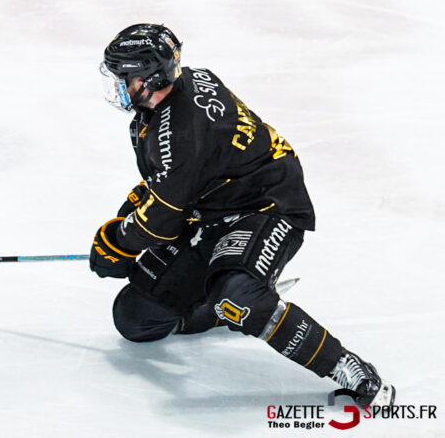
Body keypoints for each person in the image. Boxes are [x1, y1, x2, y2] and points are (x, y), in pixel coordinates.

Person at [90, 23, 395, 406]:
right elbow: (168, 183)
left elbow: (163, 216)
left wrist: (119, 242)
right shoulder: (184, 87)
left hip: (266, 206)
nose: (118, 86)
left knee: (239, 299)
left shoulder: (180, 133)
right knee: (136, 317)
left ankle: (345, 365)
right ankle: (222, 302)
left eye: (123, 78)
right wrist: (126, 224)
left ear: (148, 79)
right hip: (213, 211)